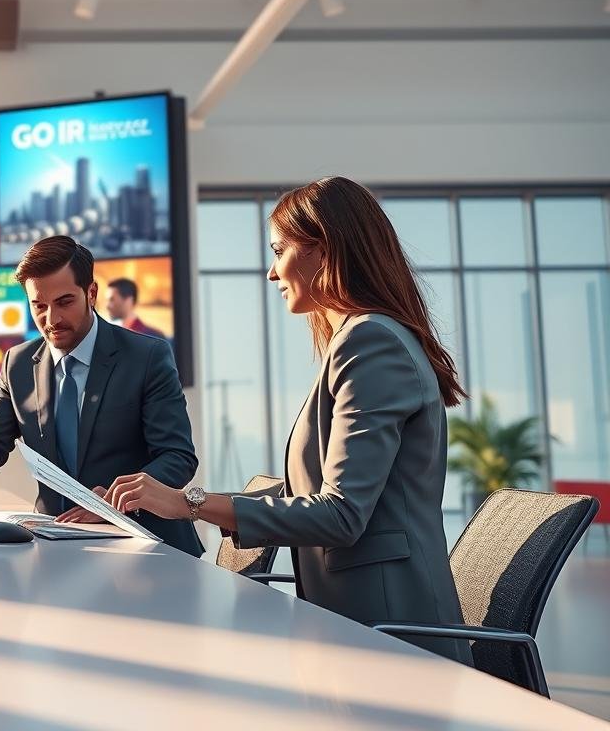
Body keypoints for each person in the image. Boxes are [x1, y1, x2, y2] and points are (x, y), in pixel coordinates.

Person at [99, 177, 472, 664]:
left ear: (324, 250)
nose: (272, 272)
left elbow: (340, 514)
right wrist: (181, 501)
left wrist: (190, 504)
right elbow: (312, 489)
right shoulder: (363, 339)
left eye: (280, 251)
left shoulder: (371, 343)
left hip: (390, 637)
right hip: (359, 625)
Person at [0, 236, 203, 557]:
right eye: (39, 306)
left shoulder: (147, 356)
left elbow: (177, 457)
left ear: (92, 293)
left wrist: (113, 502)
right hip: (55, 544)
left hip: (149, 545)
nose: (51, 319)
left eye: (65, 302)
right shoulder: (18, 363)